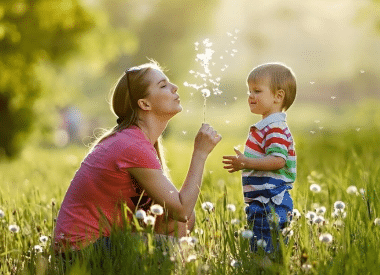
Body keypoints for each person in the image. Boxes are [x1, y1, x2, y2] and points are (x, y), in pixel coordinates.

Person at [53, 61, 222, 254]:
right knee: (175, 247)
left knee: (175, 223)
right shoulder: (132, 145)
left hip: (100, 243)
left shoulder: (136, 140)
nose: (174, 88)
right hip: (78, 253)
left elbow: (177, 213)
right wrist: (200, 154)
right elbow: (181, 209)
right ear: (144, 104)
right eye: (163, 85)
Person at [222, 62, 296, 254]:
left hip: (269, 203)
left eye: (257, 91)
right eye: (249, 91)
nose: (250, 96)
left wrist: (246, 162)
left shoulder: (274, 128)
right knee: (272, 251)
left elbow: (278, 160)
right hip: (265, 202)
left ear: (278, 96)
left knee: (264, 254)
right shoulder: (268, 126)